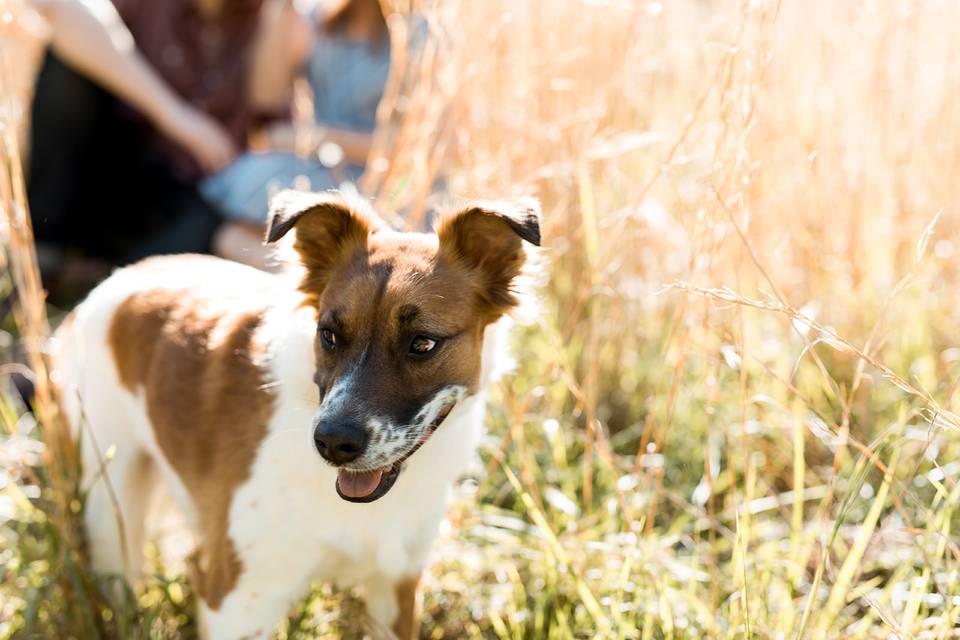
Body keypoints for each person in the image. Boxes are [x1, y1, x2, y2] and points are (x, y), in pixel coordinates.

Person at [26, 0, 308, 288]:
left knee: (205, 231)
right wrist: (174, 115)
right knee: (68, 72)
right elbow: (62, 9)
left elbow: (268, 99)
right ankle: (44, 247)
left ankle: (102, 271)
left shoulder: (272, 19)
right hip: (111, 164)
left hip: (185, 197)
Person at [202, 0, 393, 268]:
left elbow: (412, 148)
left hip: (385, 183)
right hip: (323, 171)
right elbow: (265, 96)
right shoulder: (318, 18)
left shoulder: (422, 34)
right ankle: (315, 282)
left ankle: (327, 282)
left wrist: (312, 139)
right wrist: (283, 6)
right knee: (230, 236)